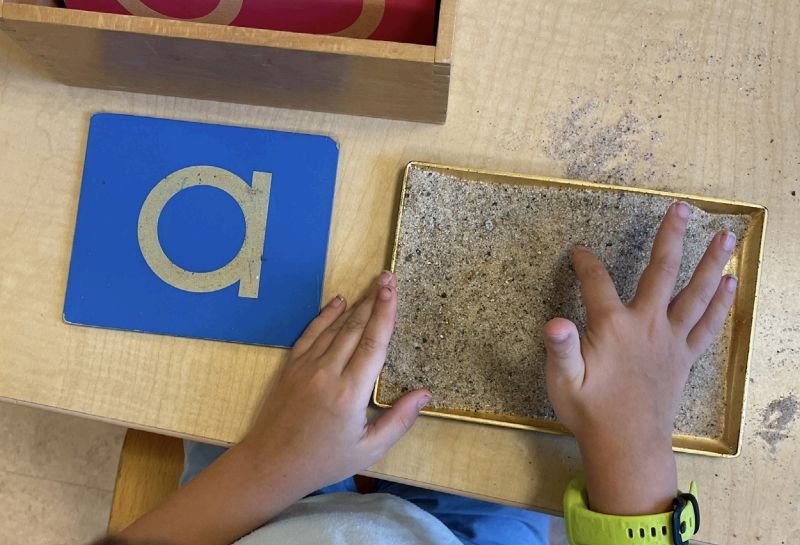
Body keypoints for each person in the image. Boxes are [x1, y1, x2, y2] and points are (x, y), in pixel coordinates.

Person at [96, 201, 735, 545]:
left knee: (262, 341)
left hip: (243, 511)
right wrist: (635, 433)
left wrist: (268, 464)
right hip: (462, 538)